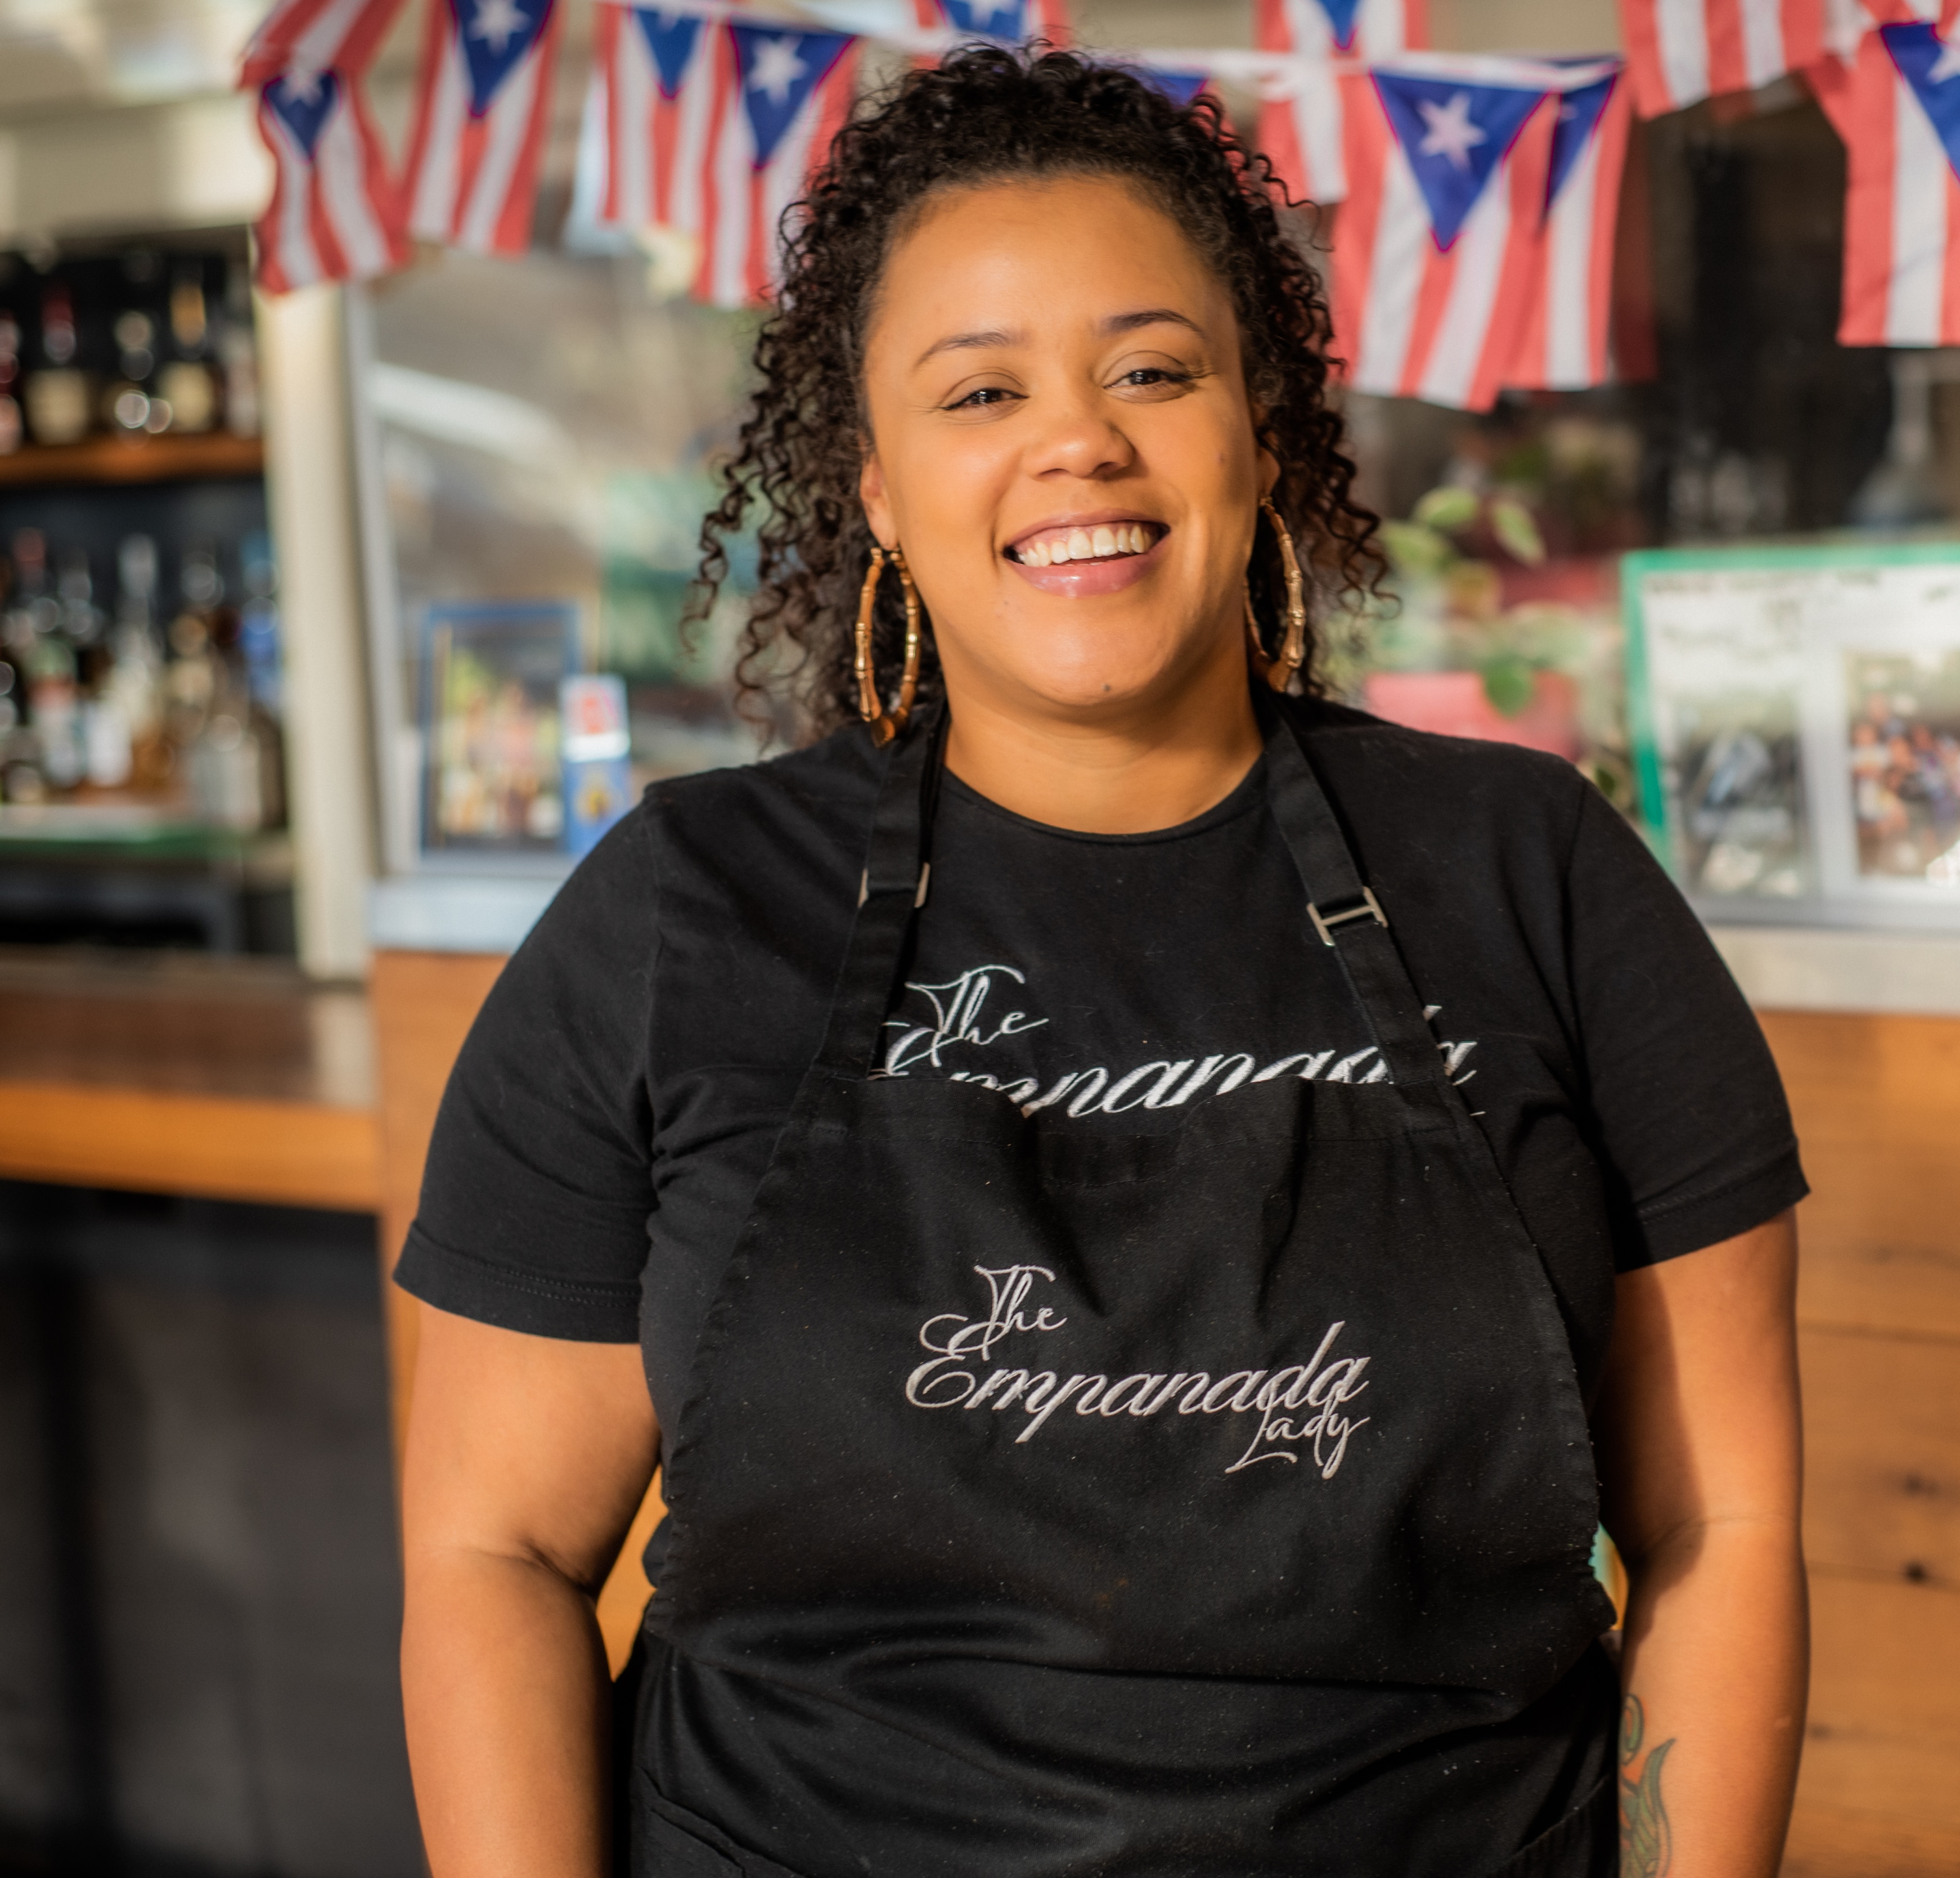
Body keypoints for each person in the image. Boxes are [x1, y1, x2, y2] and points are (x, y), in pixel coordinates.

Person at [395, 47, 1807, 1878]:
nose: (1082, 439)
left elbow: (1727, 1525)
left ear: (1260, 429)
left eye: (1153, 369)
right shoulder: (680, 915)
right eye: (981, 389)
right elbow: (489, 1550)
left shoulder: (1535, 876)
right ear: (882, 485)